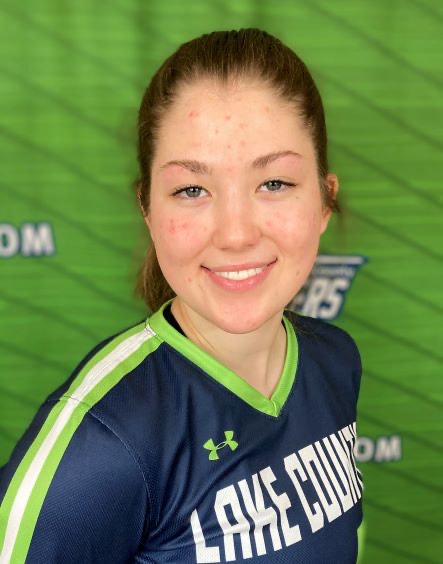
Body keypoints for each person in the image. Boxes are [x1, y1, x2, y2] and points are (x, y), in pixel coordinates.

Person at [0, 29, 363, 563]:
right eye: (192, 190)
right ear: (148, 209)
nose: (236, 233)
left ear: (325, 200)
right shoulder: (101, 443)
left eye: (275, 184)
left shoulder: (335, 360)